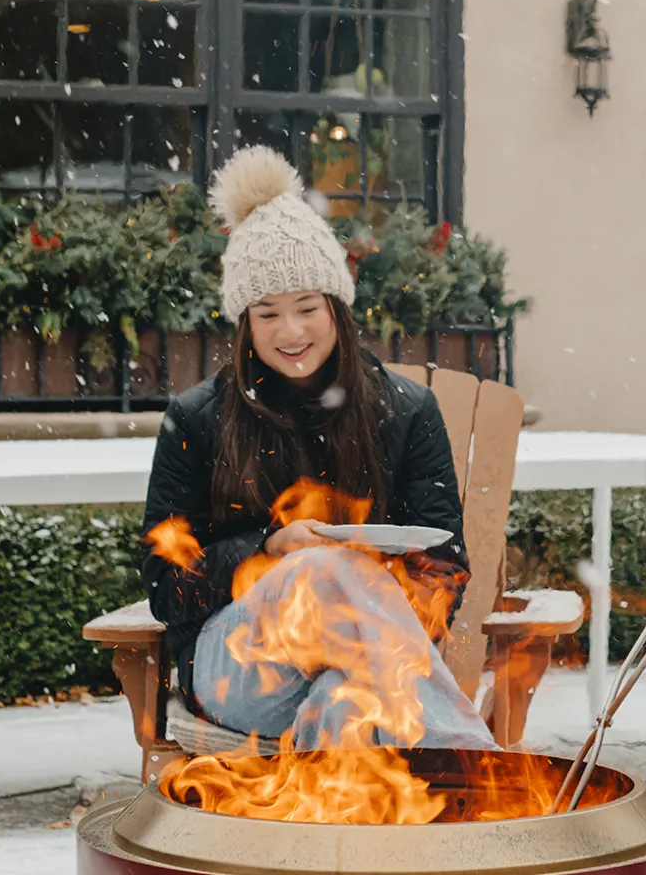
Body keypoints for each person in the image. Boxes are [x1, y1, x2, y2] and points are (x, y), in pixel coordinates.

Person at [141, 144, 494, 752]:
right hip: (243, 669)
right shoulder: (198, 419)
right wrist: (267, 550)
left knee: (343, 700)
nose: (291, 332)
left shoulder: (405, 412)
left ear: (336, 308)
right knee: (321, 565)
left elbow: (445, 564)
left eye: (307, 307)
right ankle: (466, 757)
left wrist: (374, 583)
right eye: (267, 313)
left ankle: (324, 848)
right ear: (244, 323)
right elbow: (165, 584)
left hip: (368, 667)